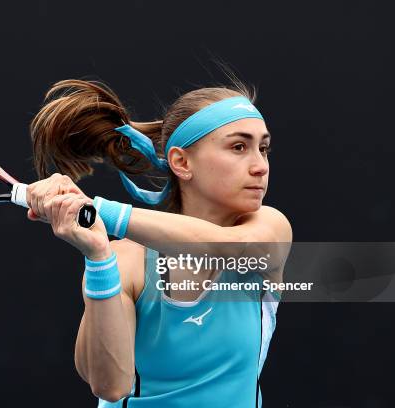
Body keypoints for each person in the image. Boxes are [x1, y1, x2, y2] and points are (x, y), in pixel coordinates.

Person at [24, 78, 292, 407]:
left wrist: (99, 211)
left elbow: (224, 247)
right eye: (239, 147)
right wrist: (98, 257)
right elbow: (110, 385)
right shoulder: (124, 263)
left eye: (263, 148)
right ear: (181, 162)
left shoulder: (270, 229)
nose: (260, 166)